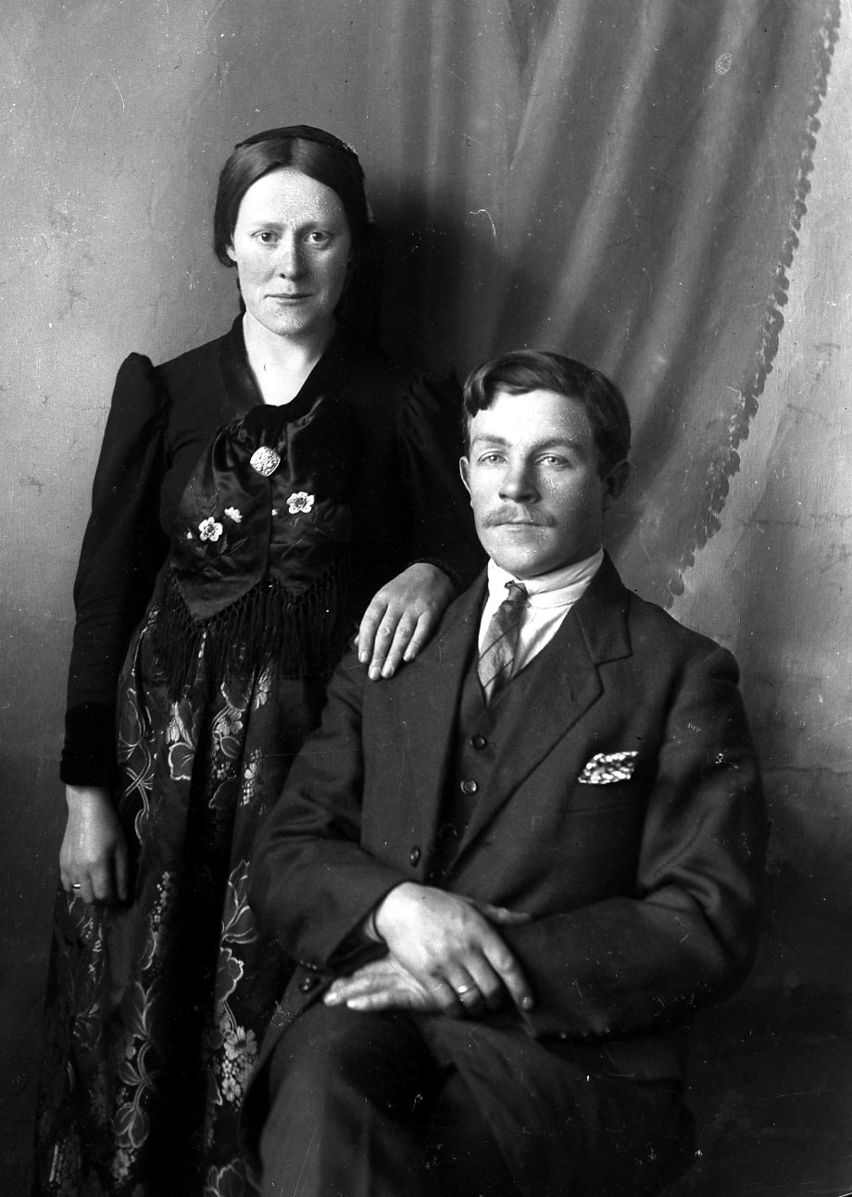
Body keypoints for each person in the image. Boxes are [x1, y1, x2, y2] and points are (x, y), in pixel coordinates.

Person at [34, 125, 480, 1196]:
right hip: (160, 778)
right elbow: (104, 599)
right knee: (140, 1024)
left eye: (319, 236)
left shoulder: (404, 400)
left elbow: (469, 548)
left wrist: (434, 570)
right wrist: (86, 794)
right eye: (266, 235)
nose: (291, 264)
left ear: (353, 250)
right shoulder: (165, 392)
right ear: (226, 244)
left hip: (316, 771)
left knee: (289, 1029)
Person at [243, 349, 768, 1196]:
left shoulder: (679, 671)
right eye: (494, 456)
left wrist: (484, 961)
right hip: (378, 1021)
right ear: (465, 476)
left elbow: (705, 921)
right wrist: (397, 907)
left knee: (422, 1161)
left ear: (612, 481)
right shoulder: (394, 645)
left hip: (564, 1058)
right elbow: (288, 851)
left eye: (553, 459)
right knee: (323, 1088)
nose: (516, 487)